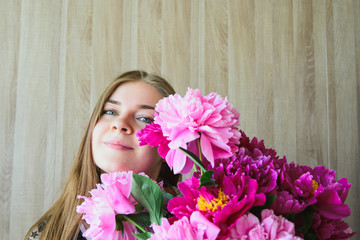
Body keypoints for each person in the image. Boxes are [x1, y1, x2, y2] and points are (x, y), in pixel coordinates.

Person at [25, 70, 181, 240]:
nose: (120, 123)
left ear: (171, 142)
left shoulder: (195, 220)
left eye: (145, 119)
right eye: (111, 112)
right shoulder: (50, 230)